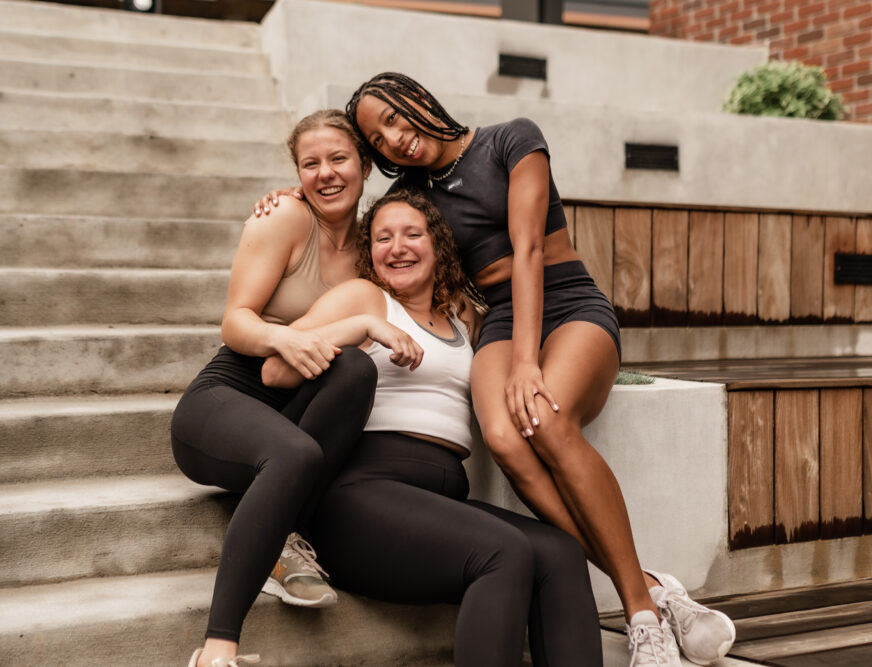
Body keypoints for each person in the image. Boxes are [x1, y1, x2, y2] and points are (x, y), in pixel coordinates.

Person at [254, 72, 735, 667]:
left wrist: (527, 363)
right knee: (506, 438)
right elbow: (360, 220)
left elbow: (528, 249)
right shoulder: (414, 190)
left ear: (420, 100)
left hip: (566, 301)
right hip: (502, 320)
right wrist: (295, 196)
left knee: (548, 419)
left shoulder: (511, 139)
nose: (396, 139)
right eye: (380, 138)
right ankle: (657, 587)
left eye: (398, 118)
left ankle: (640, 612)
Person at [262, 189, 604, 666]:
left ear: (438, 245)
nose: (397, 247)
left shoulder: (466, 316)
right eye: (382, 238)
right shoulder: (365, 298)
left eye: (411, 234)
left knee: (561, 551)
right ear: (370, 252)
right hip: (361, 498)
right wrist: (363, 327)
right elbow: (275, 371)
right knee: (503, 553)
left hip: (439, 499)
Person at [172, 110, 413, 667]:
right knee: (296, 451)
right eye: (310, 163)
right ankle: (216, 650)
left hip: (293, 409)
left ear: (364, 164)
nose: (325, 174)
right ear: (296, 172)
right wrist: (281, 342)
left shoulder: (372, 245)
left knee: (356, 371)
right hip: (223, 404)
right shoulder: (284, 216)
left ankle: (286, 532)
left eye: (338, 159)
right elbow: (235, 321)